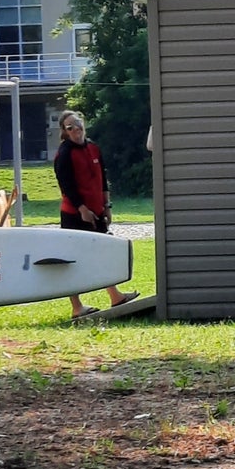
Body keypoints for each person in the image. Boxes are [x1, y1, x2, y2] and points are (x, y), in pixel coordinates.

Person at [53, 111, 138, 321]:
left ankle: (115, 295)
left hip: (97, 210)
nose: (76, 129)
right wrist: (82, 209)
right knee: (73, 260)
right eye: (70, 127)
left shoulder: (93, 148)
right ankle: (76, 306)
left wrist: (106, 205)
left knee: (102, 253)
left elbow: (102, 179)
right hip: (74, 214)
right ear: (64, 132)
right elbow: (67, 187)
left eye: (78, 124)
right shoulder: (64, 154)